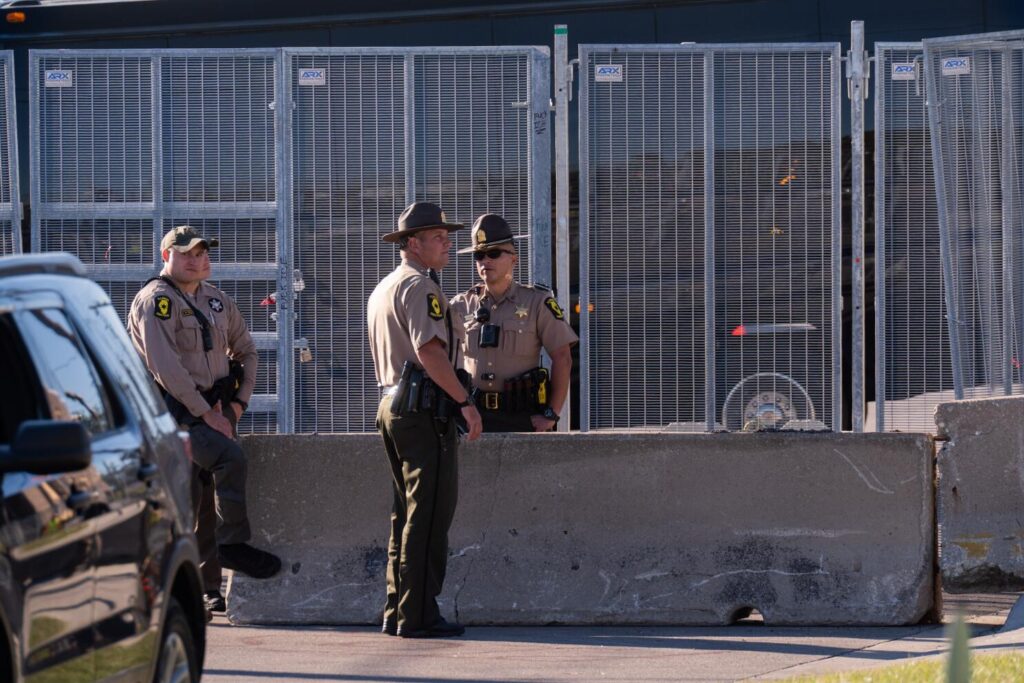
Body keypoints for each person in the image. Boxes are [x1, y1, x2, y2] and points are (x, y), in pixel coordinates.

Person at [127, 225, 282, 612]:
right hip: (174, 417)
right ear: (167, 257)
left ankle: (208, 588)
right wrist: (205, 413)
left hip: (215, 413)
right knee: (215, 473)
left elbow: (247, 350)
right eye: (186, 254)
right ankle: (224, 553)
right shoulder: (156, 301)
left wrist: (235, 407)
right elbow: (166, 369)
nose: (197, 260)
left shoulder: (216, 301)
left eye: (202, 252)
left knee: (204, 501)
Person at [367, 201, 482, 639]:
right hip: (421, 410)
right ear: (412, 244)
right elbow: (429, 352)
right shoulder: (421, 287)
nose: (448, 242)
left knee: (407, 513)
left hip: (394, 405)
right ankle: (417, 614)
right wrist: (463, 403)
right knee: (430, 512)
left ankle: (398, 609)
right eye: (437, 237)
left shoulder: (387, 287)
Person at [449, 214, 578, 432]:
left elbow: (563, 357)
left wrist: (551, 414)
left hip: (521, 415)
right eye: (479, 255)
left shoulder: (537, 302)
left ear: (513, 258)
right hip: (473, 415)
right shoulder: (461, 305)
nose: (485, 261)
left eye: (494, 253)